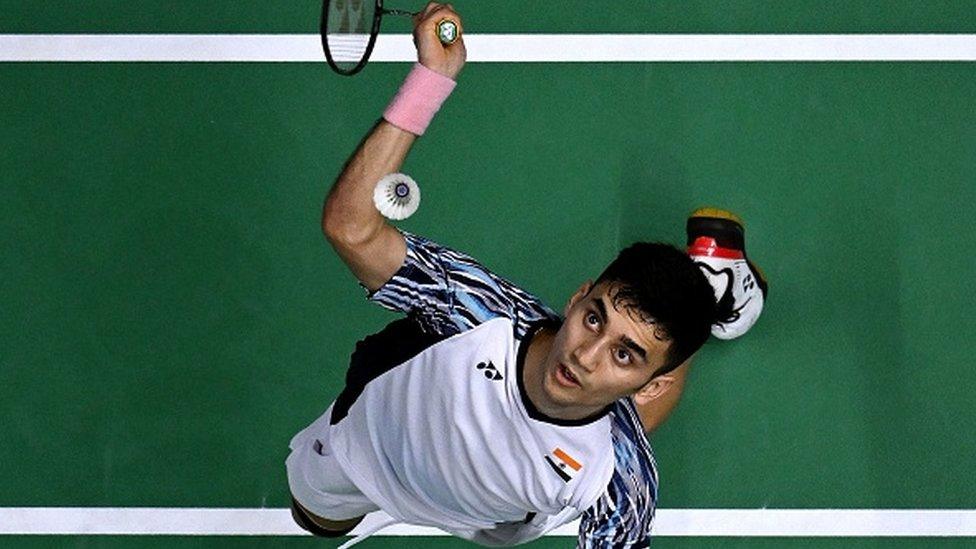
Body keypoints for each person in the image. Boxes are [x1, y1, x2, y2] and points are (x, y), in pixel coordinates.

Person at [286, 3, 766, 546]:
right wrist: (431, 80)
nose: (585, 354)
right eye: (593, 319)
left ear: (650, 385)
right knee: (314, 517)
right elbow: (352, 229)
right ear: (581, 294)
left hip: (496, 511)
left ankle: (704, 290)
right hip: (365, 450)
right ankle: (709, 282)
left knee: (611, 430)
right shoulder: (473, 311)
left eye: (622, 354)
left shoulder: (620, 480)